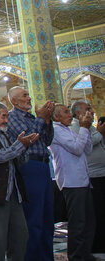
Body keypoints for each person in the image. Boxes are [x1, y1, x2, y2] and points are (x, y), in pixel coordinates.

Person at [0, 102, 39, 261]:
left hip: (12, 193)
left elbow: (15, 159)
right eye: (3, 116)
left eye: (7, 116)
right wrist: (19, 145)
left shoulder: (5, 135)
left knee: (20, 236)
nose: (6, 120)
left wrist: (25, 146)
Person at [5, 86, 55, 261]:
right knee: (33, 219)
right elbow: (32, 137)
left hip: (43, 166)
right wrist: (42, 118)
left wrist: (47, 121)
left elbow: (46, 140)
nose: (29, 98)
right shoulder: (12, 118)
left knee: (47, 218)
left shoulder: (32, 118)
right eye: (24, 96)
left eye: (28, 95)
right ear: (14, 101)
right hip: (29, 167)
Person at [49, 104, 95, 261]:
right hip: (71, 182)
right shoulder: (56, 130)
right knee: (78, 223)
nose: (70, 115)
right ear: (56, 117)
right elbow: (76, 148)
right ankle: (76, 256)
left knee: (88, 221)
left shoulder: (68, 129)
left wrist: (86, 129)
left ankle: (85, 253)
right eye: (66, 112)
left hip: (83, 180)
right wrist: (83, 128)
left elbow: (86, 150)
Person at [70, 103, 105, 254]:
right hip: (90, 175)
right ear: (78, 113)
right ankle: (94, 246)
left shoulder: (88, 126)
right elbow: (90, 142)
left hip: (100, 174)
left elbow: (95, 138)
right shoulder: (75, 126)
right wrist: (97, 132)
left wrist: (95, 132)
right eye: (87, 110)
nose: (91, 112)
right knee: (93, 214)